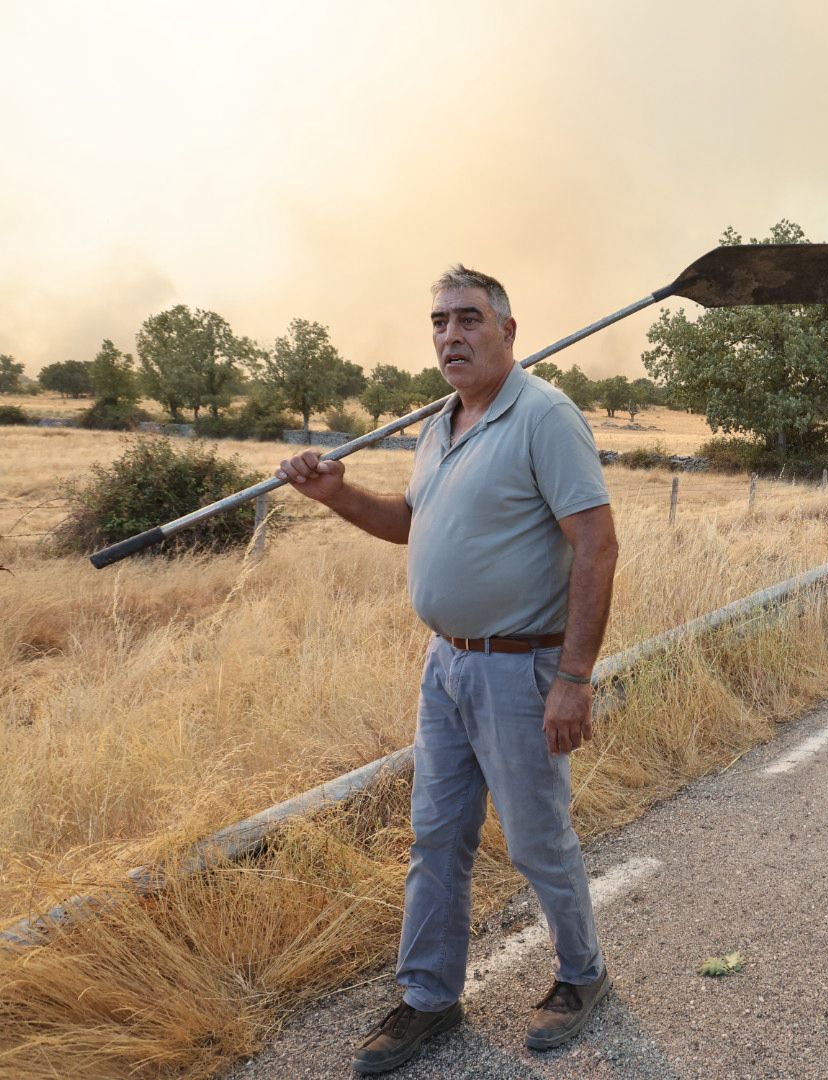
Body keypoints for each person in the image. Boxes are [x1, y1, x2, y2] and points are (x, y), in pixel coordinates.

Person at [277, 266, 617, 1073]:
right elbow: (407, 523)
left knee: (536, 839)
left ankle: (583, 973)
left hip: (521, 668)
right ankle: (430, 997)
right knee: (436, 836)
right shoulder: (442, 422)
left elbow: (597, 546)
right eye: (439, 322)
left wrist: (574, 677)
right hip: (447, 668)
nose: (450, 335)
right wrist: (335, 494)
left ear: (507, 330)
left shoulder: (545, 418)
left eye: (469, 319)